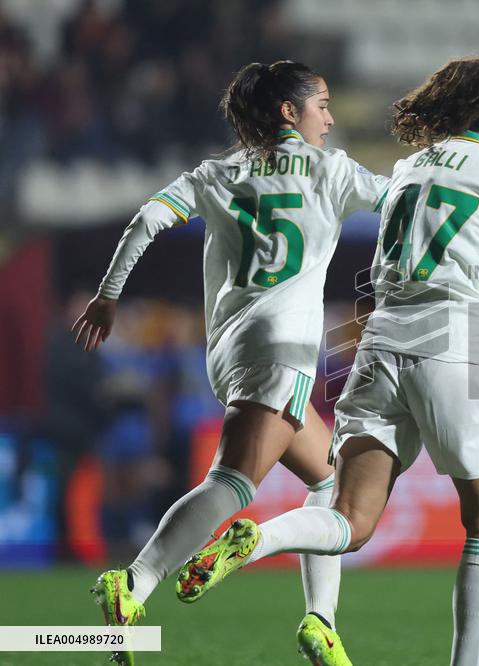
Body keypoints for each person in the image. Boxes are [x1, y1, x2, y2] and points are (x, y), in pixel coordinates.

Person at [176, 56, 479, 666]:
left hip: (379, 343)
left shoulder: (408, 168)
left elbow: (451, 231)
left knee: (351, 519)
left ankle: (260, 538)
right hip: (458, 344)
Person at [73, 60, 387, 666]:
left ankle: (321, 622)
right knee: (233, 481)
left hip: (229, 350)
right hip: (284, 347)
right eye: (321, 104)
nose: (329, 118)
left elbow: (146, 220)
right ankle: (134, 582)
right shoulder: (332, 170)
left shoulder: (216, 172)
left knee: (329, 479)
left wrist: (109, 296)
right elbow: (406, 200)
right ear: (289, 111)